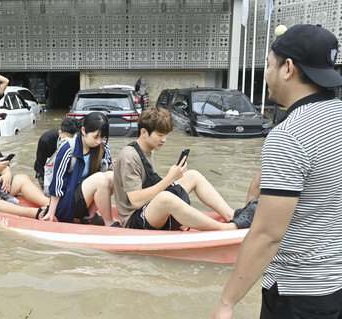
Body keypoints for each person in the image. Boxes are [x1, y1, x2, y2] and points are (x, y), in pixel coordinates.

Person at [210, 24, 342, 319]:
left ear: (288, 68)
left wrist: (226, 302)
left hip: (297, 294)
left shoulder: (290, 134)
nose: (266, 74)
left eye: (269, 65)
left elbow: (267, 234)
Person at [113, 107, 255, 231]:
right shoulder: (129, 156)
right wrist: (170, 179)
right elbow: (136, 201)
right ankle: (228, 228)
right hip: (135, 219)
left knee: (193, 175)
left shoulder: (149, 151)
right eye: (160, 135)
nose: (164, 140)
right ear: (144, 132)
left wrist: (174, 178)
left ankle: (232, 215)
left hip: (149, 208)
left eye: (166, 135)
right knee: (165, 198)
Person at [43, 112, 120, 227]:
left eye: (102, 137)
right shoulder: (68, 148)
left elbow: (105, 178)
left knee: (111, 176)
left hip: (85, 201)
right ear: (83, 130)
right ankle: (109, 222)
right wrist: (51, 212)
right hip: (67, 203)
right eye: (95, 137)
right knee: (100, 178)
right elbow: (58, 182)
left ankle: (89, 216)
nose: (98, 141)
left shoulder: (100, 148)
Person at [33, 117, 78, 189]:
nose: (65, 142)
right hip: (45, 170)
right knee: (47, 193)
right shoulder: (46, 140)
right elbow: (40, 163)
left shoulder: (75, 141)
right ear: (60, 132)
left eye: (69, 140)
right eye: (64, 139)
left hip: (62, 171)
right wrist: (47, 184)